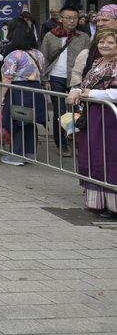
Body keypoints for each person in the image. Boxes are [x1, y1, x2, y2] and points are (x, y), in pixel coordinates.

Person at [67, 29, 117, 213]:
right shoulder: (97, 62)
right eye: (102, 42)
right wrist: (77, 91)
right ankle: (98, 202)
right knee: (93, 155)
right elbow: (85, 86)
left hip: (110, 117)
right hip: (93, 115)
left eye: (110, 42)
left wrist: (92, 93)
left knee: (110, 156)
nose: (105, 45)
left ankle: (113, 205)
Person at [39, 4, 90, 156]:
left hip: (76, 79)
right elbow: (44, 58)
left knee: (77, 112)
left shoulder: (84, 37)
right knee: (59, 112)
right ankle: (61, 145)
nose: (72, 21)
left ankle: (77, 142)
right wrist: (45, 79)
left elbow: (88, 60)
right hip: (56, 78)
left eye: (75, 18)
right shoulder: (50, 36)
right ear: (60, 19)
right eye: (68, 18)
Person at [0, 21, 47, 166]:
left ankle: (16, 155)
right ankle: (30, 153)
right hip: (36, 90)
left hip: (18, 90)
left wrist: (2, 96)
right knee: (30, 122)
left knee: (17, 122)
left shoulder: (14, 54)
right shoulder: (38, 54)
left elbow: (7, 77)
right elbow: (42, 72)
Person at [72, 4, 117, 87]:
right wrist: (77, 90)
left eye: (105, 20)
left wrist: (91, 94)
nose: (100, 24)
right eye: (98, 21)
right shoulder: (94, 45)